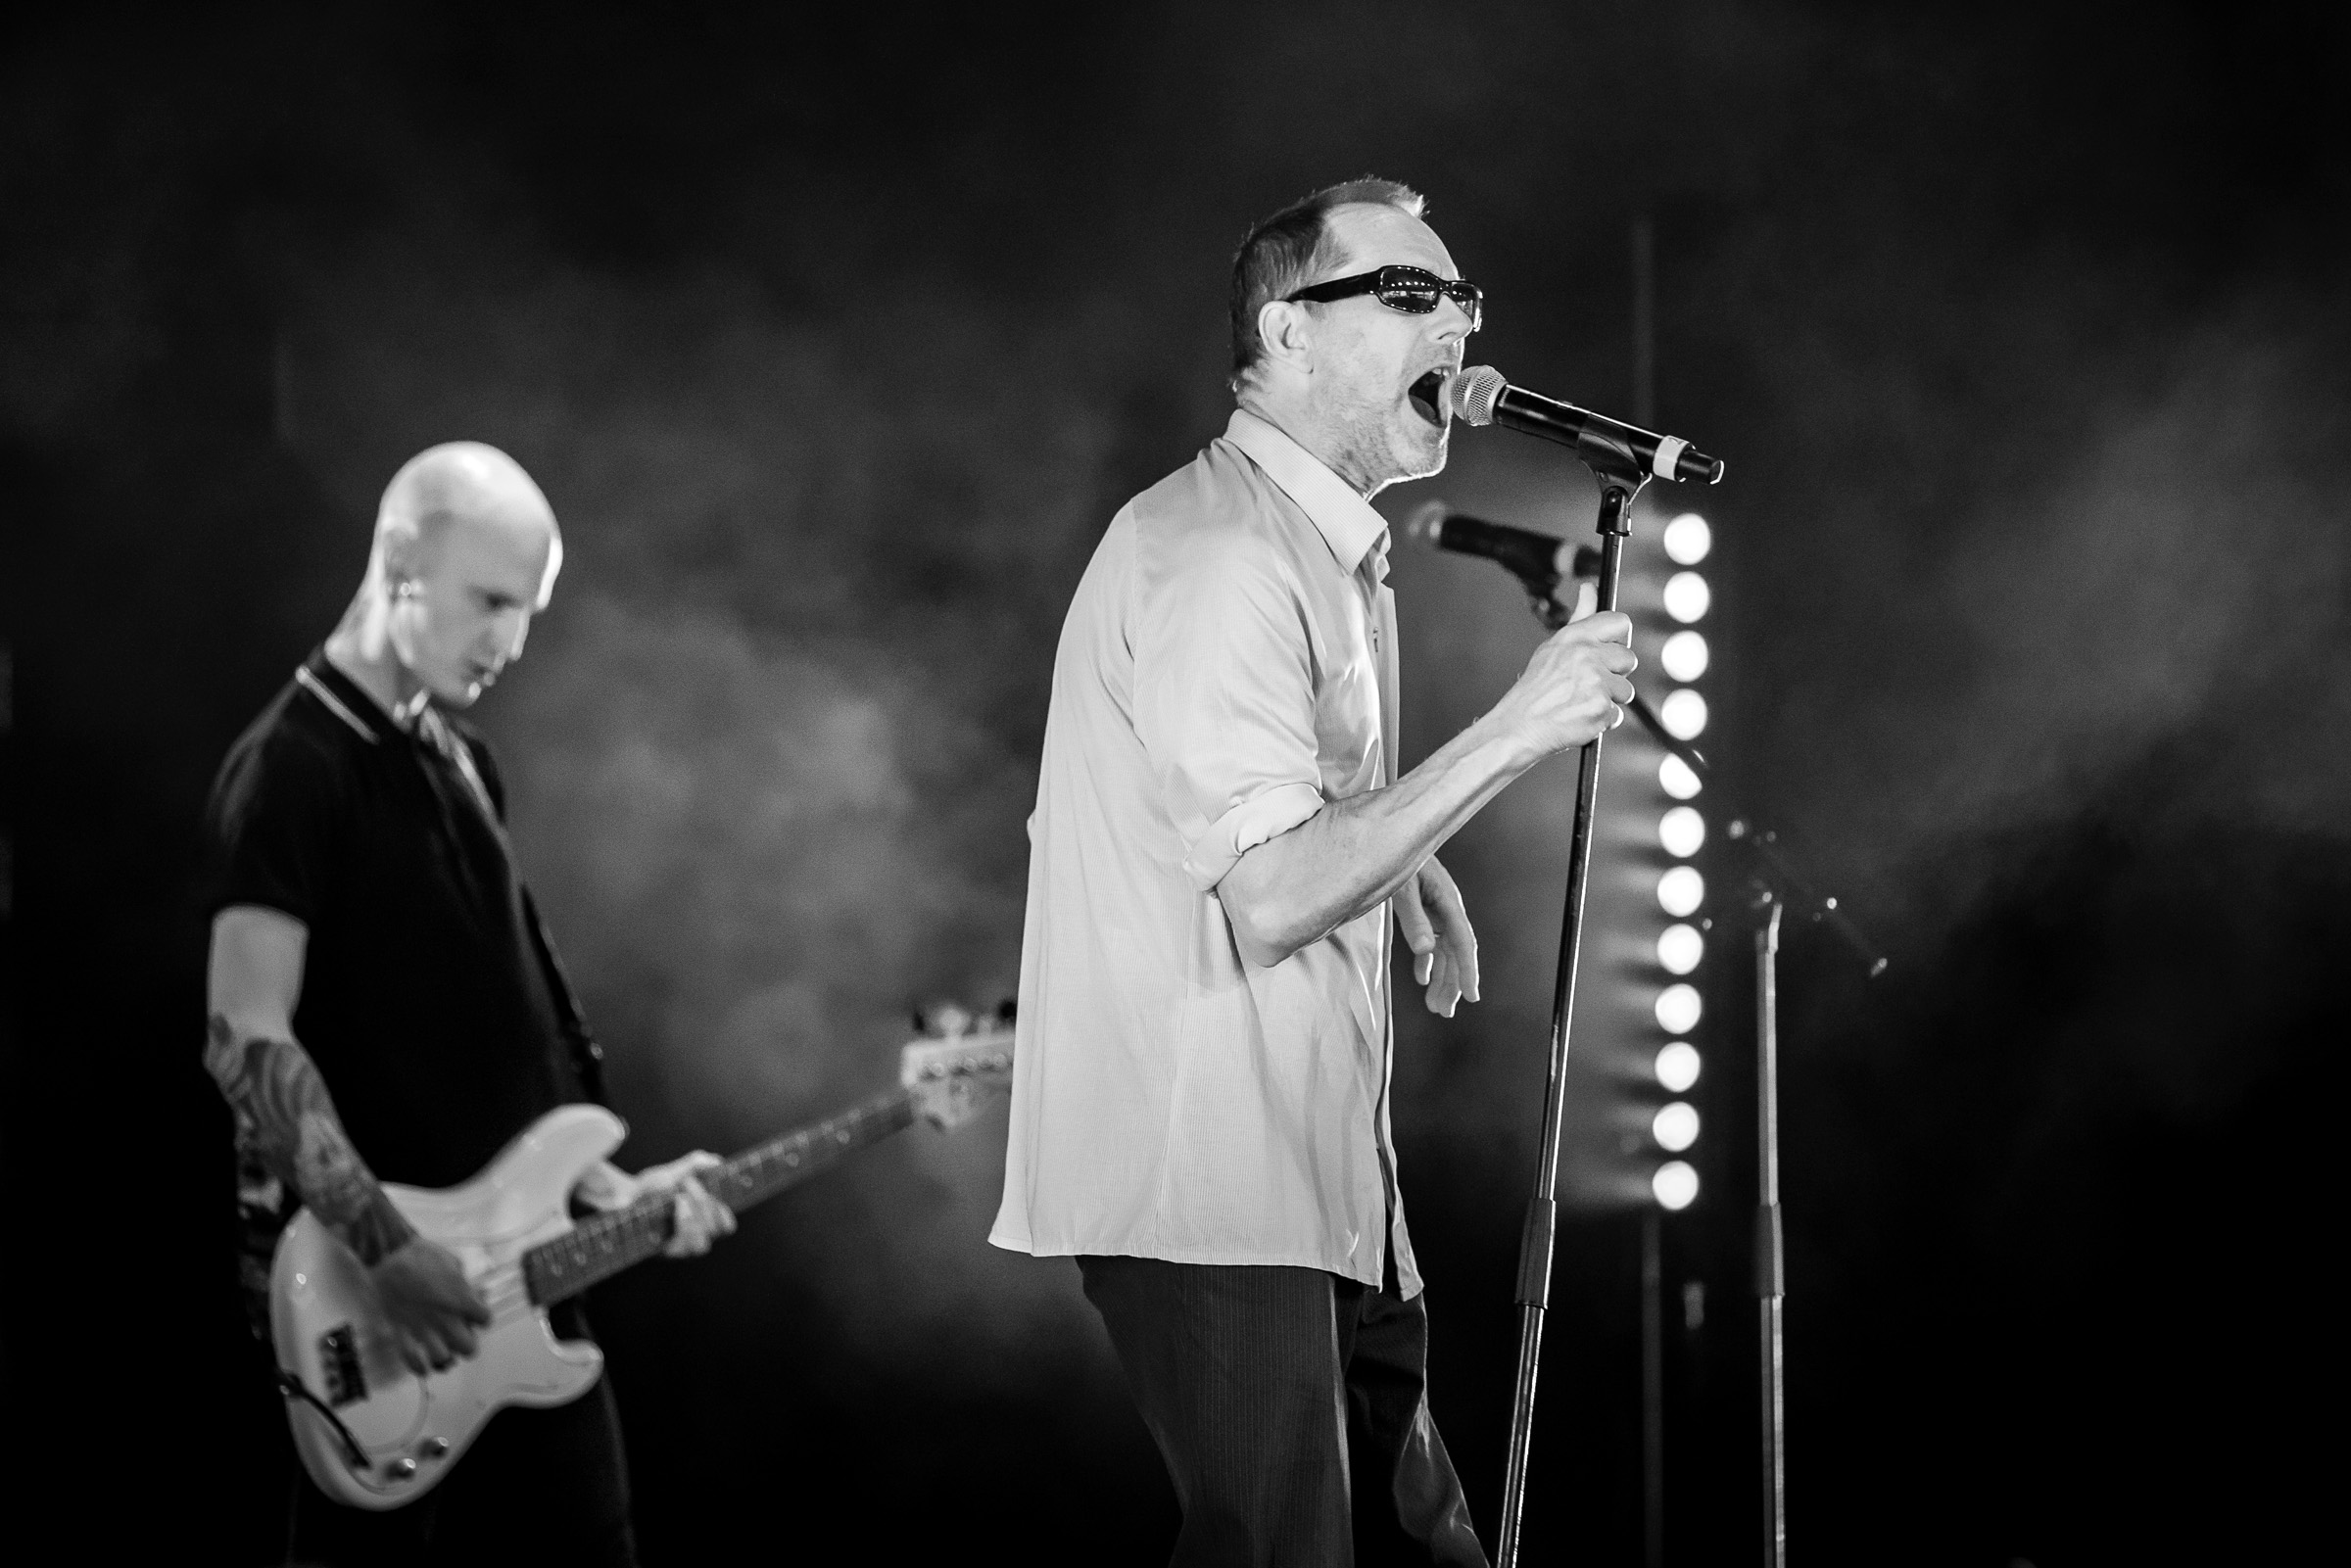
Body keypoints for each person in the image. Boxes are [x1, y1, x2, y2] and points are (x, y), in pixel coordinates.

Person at [990, 179, 1639, 1565]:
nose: (1457, 324)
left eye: (1464, 299)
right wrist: (1519, 727)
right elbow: (1275, 894)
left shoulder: (1310, 543)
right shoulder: (1221, 554)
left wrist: (1401, 861)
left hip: (1317, 1184)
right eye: (1410, 293)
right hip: (1214, 1186)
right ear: (1286, 330)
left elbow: (1267, 811)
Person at [201, 442, 736, 1566]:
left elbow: (504, 1037)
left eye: (528, 610)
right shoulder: (292, 767)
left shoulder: (465, 760)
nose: (513, 642)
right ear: (400, 563)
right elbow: (243, 1035)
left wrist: (610, 1188)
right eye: (491, 601)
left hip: (522, 1287)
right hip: (376, 1310)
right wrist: (389, 1249)